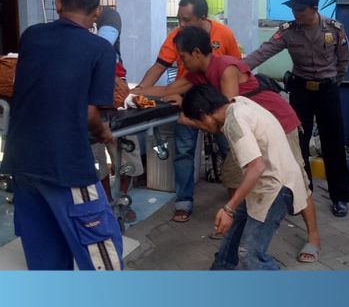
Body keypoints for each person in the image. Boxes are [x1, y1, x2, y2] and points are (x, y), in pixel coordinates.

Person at [135, 26, 322, 262]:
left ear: (195, 53)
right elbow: (166, 90)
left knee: (295, 180)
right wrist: (134, 92)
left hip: (277, 123)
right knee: (233, 173)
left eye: (182, 57)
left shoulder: (225, 69)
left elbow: (225, 114)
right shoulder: (196, 73)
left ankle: (313, 237)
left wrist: (187, 108)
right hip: (246, 129)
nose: (179, 62)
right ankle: (234, 224)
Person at [0, 0, 122, 270]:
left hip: (22, 161)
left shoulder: (31, 35)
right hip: (65, 165)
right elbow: (90, 114)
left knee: (44, 257)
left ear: (58, 3)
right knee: (102, 259)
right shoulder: (100, 50)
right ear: (97, 12)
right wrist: (104, 131)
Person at [243, 0, 349, 217]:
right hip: (301, 92)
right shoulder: (287, 31)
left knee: (333, 143)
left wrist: (332, 83)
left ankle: (340, 197)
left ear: (314, 8)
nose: (296, 14)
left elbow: (344, 61)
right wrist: (237, 68)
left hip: (327, 92)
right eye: (293, 9)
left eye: (301, 10)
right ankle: (304, 193)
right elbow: (263, 52)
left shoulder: (334, 30)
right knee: (298, 145)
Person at [135, 0, 241, 223]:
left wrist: (231, 106)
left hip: (219, 103)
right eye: (178, 19)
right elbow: (160, 67)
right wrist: (137, 92)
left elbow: (237, 68)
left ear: (202, 18)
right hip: (186, 99)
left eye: (186, 20)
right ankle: (183, 202)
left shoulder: (224, 35)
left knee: (230, 150)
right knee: (184, 151)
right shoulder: (176, 37)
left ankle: (236, 202)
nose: (180, 25)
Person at [180, 85, 309, 270]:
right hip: (264, 184)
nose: (204, 129)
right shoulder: (238, 103)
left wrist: (229, 208)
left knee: (249, 253)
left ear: (203, 114)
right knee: (231, 237)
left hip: (277, 188)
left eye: (199, 125)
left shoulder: (234, 122)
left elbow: (256, 166)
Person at [92, 7, 142, 223]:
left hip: (116, 100)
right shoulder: (72, 26)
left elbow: (103, 45)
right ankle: (106, 203)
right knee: (95, 158)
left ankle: (121, 198)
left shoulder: (108, 17)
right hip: (90, 102)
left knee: (128, 151)